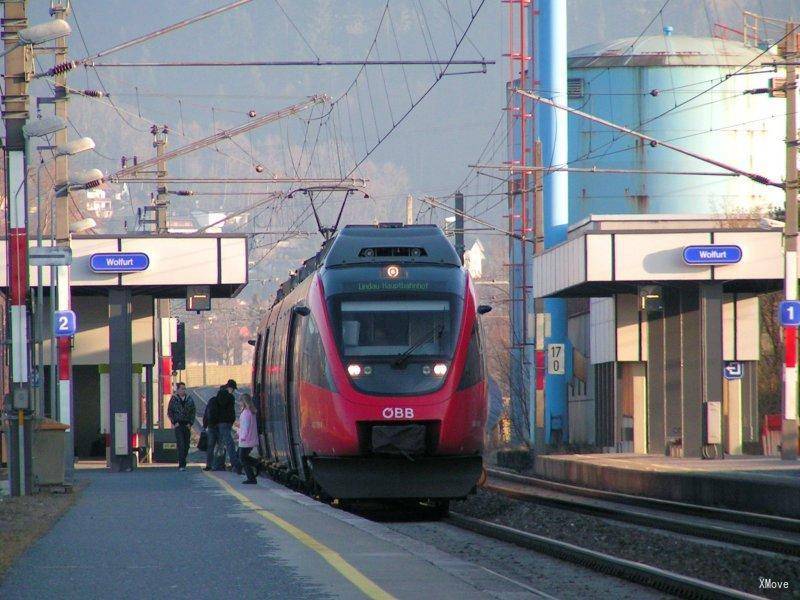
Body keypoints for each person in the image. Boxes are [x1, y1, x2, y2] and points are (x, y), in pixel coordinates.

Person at [205, 379, 243, 473]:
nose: (233, 391)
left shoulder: (216, 398)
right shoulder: (229, 397)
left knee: (213, 445)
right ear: (229, 388)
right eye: (233, 389)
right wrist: (231, 420)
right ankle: (235, 464)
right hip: (225, 423)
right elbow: (229, 411)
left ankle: (211, 465)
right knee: (229, 443)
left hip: (215, 424)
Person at [167, 382, 195, 471]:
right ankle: (181, 464)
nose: (183, 390)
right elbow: (170, 411)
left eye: (184, 388)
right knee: (181, 444)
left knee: (186, 445)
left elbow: (193, 411)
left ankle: (183, 460)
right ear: (178, 390)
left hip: (187, 425)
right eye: (182, 388)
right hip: (178, 425)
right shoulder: (174, 399)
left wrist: (190, 423)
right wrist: (174, 422)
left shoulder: (189, 399)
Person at [203, 386, 226, 471]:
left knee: (210, 446)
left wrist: (205, 425)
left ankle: (209, 465)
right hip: (220, 426)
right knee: (221, 446)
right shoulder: (225, 402)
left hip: (211, 426)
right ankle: (220, 465)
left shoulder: (212, 400)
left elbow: (206, 413)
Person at [238, 393, 259, 484]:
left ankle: (252, 477)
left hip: (246, 440)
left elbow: (245, 427)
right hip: (250, 439)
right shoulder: (251, 411)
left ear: (244, 402)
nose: (239, 403)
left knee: (242, 458)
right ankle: (257, 464)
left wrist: (242, 437)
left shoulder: (246, 413)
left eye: (241, 401)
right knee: (244, 457)